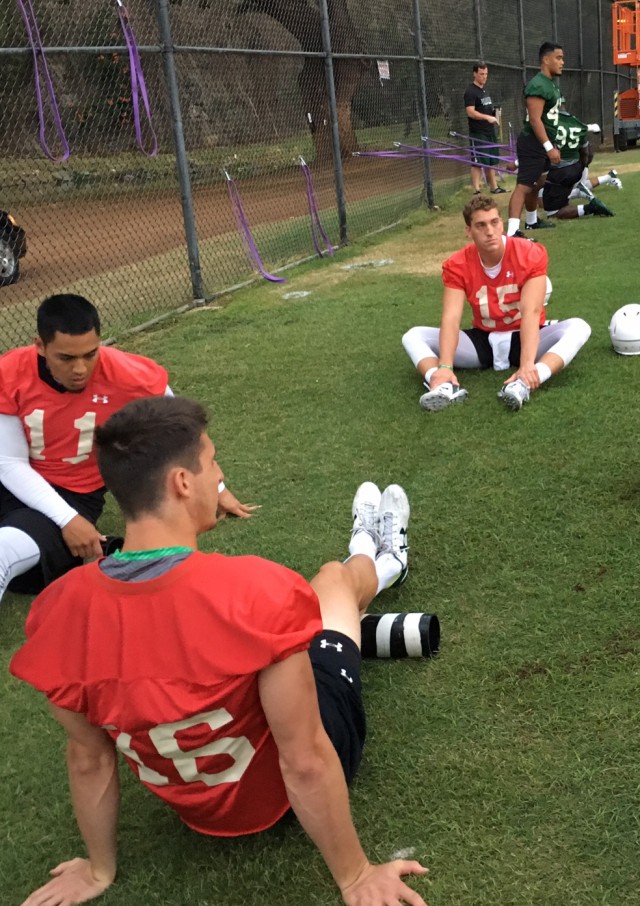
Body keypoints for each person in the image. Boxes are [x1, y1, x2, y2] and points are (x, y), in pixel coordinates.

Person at [10, 394, 428, 906]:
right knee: (332, 582)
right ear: (182, 483)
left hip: (198, 808)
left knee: (304, 612)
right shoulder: (253, 589)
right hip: (284, 789)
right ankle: (378, 554)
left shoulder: (58, 611)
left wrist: (98, 868)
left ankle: (373, 564)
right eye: (211, 462)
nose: (218, 474)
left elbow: (89, 758)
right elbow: (306, 759)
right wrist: (356, 876)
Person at [0, 294, 255, 604]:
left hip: (71, 494)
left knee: (5, 551)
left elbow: (182, 431)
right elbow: (9, 462)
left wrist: (217, 487)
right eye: (66, 358)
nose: (80, 368)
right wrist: (68, 520)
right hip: (15, 482)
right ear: (40, 346)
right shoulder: (11, 371)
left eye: (90, 354)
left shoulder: (127, 372)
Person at [402, 195, 591, 412]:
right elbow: (451, 318)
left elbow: (531, 312)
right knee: (413, 336)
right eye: (480, 225)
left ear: (501, 223)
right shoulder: (457, 264)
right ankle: (443, 384)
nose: (490, 231)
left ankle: (525, 382)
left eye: (494, 222)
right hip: (483, 340)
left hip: (523, 335)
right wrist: (444, 365)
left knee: (579, 327)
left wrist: (527, 364)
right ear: (468, 230)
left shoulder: (528, 253)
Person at [507, 42, 565, 237]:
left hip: (543, 142)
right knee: (523, 186)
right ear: (546, 60)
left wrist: (552, 143)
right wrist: (548, 147)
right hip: (534, 142)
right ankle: (513, 232)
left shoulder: (551, 84)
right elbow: (534, 119)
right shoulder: (538, 85)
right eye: (558, 58)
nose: (562, 62)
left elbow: (550, 118)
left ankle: (531, 222)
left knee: (536, 183)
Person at [464, 62, 506, 195]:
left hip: (489, 131)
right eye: (481, 74)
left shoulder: (485, 91)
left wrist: (494, 113)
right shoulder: (470, 92)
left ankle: (494, 187)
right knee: (478, 161)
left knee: (491, 159)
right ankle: (476, 189)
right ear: (475, 74)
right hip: (478, 132)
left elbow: (486, 108)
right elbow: (471, 112)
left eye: (486, 74)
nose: (484, 77)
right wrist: (486, 118)